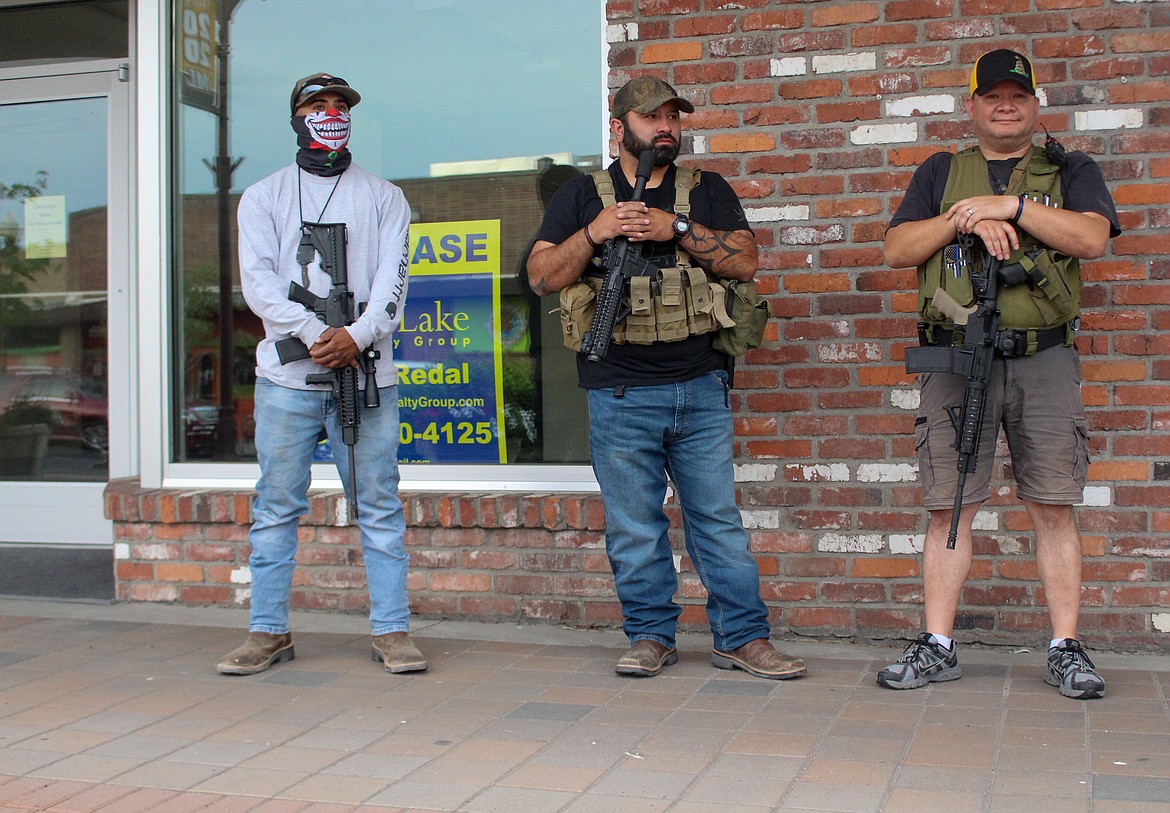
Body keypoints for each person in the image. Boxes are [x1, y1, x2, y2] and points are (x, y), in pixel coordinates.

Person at [527, 76, 805, 681]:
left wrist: (672, 228)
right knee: (634, 526)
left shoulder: (706, 191)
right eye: (653, 117)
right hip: (618, 390)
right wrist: (596, 231)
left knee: (718, 522)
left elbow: (748, 261)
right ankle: (651, 635)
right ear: (619, 124)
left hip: (700, 384)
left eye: (674, 116)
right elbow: (542, 276)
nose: (667, 128)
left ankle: (743, 638)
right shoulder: (581, 194)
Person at [879, 50, 1120, 699]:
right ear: (973, 106)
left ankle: (1065, 647)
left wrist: (1009, 207)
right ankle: (938, 642)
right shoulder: (940, 171)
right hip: (957, 356)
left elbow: (1092, 237)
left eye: (1017, 95)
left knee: (1052, 504)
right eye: (992, 96)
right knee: (947, 506)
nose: (1005, 105)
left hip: (1043, 358)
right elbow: (899, 248)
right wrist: (965, 215)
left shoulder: (1070, 169)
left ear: (1036, 105)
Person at [218, 73, 421, 676]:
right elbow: (258, 285)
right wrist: (314, 334)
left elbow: (394, 283)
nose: (330, 113)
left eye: (340, 105)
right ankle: (268, 632)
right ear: (296, 117)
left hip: (368, 379)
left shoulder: (385, 197)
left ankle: (393, 630)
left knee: (379, 506)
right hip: (287, 384)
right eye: (317, 105)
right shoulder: (263, 197)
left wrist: (354, 337)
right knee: (277, 506)